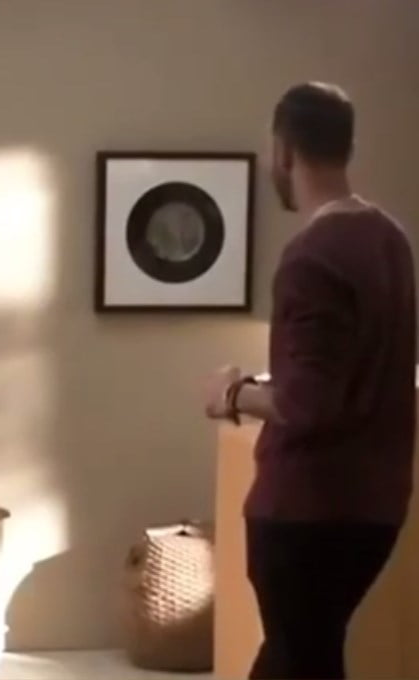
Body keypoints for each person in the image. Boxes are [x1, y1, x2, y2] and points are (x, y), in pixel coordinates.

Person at [203, 82, 417, 679]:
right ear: (348, 147)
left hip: (307, 511)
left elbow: (308, 404)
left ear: (284, 150)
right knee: (307, 657)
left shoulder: (310, 256)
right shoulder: (391, 241)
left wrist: (230, 393)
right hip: (376, 508)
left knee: (296, 658)